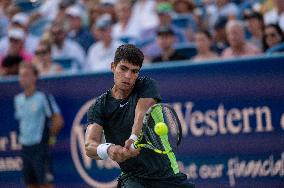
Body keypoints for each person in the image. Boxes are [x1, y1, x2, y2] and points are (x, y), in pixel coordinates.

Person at [85, 44, 194, 188]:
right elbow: (89, 145)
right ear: (113, 67)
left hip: (168, 175)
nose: (128, 76)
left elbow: (141, 113)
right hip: (133, 178)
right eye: (123, 68)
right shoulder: (99, 106)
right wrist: (109, 149)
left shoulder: (147, 85)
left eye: (134, 71)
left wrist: (133, 138)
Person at [14, 63, 64, 188]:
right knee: (30, 184)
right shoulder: (18, 100)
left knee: (46, 184)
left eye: (26, 75)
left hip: (40, 148)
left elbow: (58, 120)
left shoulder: (43, 97)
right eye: (20, 76)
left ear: (34, 77)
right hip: (25, 149)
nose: (23, 78)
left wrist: (49, 139)